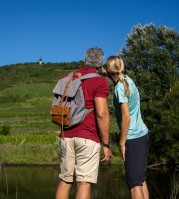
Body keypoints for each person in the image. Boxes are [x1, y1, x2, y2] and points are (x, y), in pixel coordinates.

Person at [55, 47, 112, 199]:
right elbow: (102, 114)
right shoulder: (100, 81)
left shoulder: (68, 78)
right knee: (84, 183)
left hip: (66, 136)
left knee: (65, 180)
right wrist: (106, 144)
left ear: (84, 61)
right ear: (101, 64)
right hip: (88, 137)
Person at [103, 55, 150, 199]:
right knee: (141, 181)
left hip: (132, 139)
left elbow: (126, 117)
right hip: (143, 135)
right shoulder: (129, 81)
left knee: (134, 184)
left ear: (110, 72)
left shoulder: (119, 88)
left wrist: (122, 142)